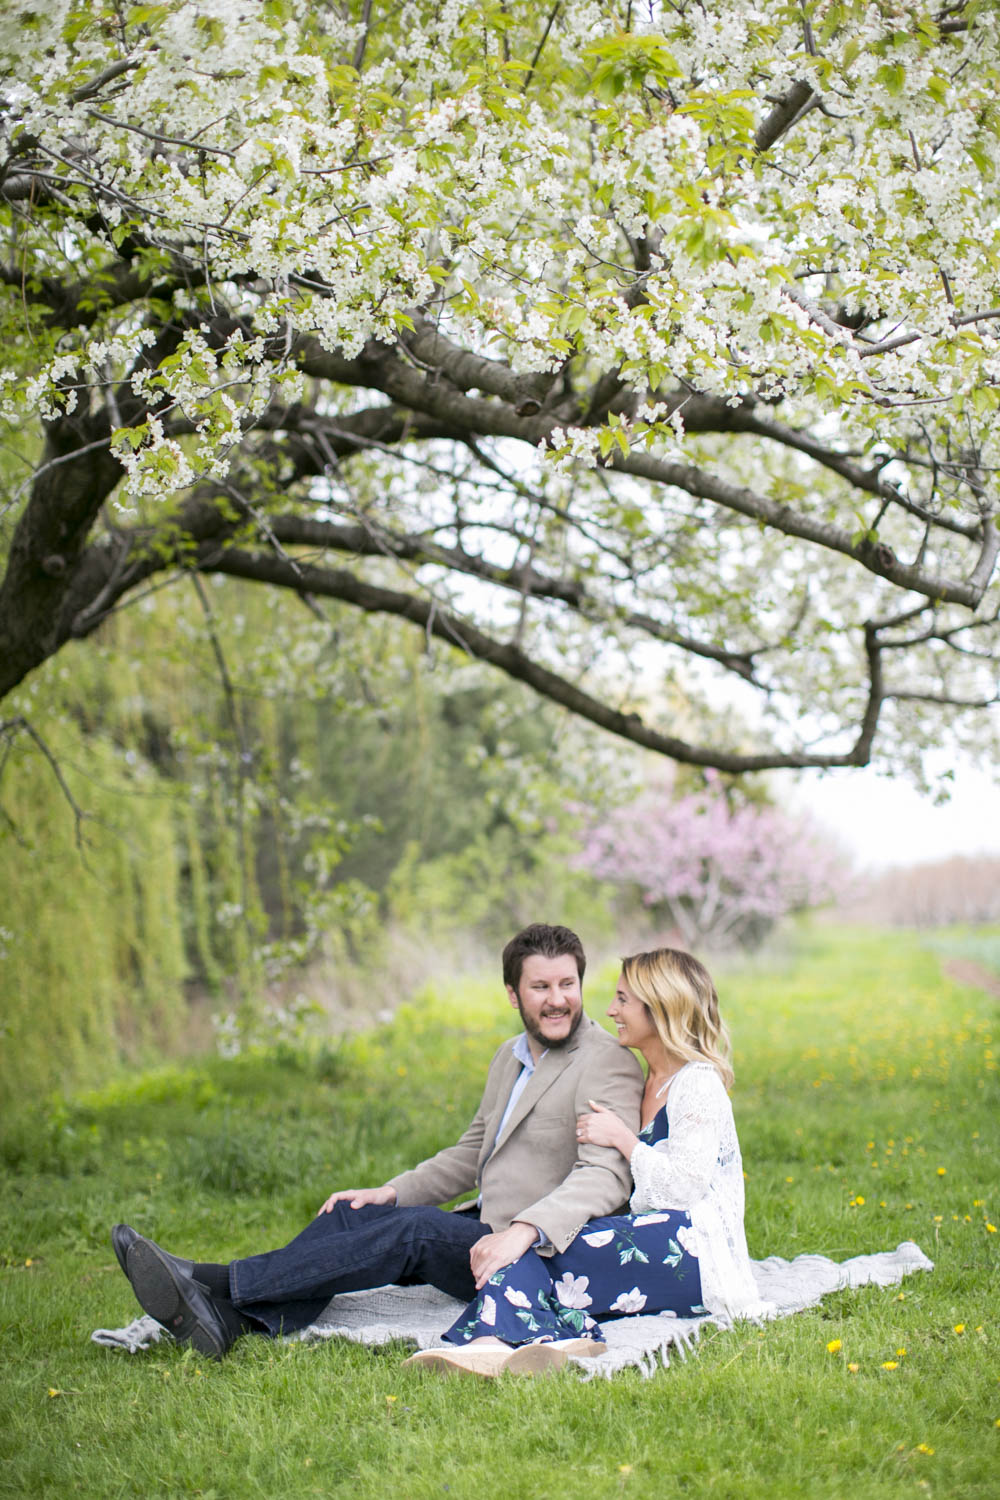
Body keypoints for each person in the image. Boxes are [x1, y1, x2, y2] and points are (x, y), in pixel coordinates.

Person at [111, 923, 644, 1361]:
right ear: (513, 995)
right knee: (349, 1215)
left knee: (412, 1233)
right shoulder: (511, 1057)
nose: (558, 1001)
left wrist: (523, 1230)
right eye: (541, 988)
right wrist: (388, 1192)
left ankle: (208, 1279)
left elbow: (605, 1175)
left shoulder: (606, 1062)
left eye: (567, 985)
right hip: (487, 1228)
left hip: (542, 1252)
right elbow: (471, 1150)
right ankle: (228, 1323)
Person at [405, 946, 765, 1376]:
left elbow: (684, 1190)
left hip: (694, 1251)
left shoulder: (697, 1085)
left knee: (531, 1245)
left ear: (660, 1009)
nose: (611, 1009)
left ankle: (494, 1339)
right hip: (649, 1234)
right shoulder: (648, 1078)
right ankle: (549, 1339)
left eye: (623, 1000)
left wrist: (625, 1141)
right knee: (536, 1240)